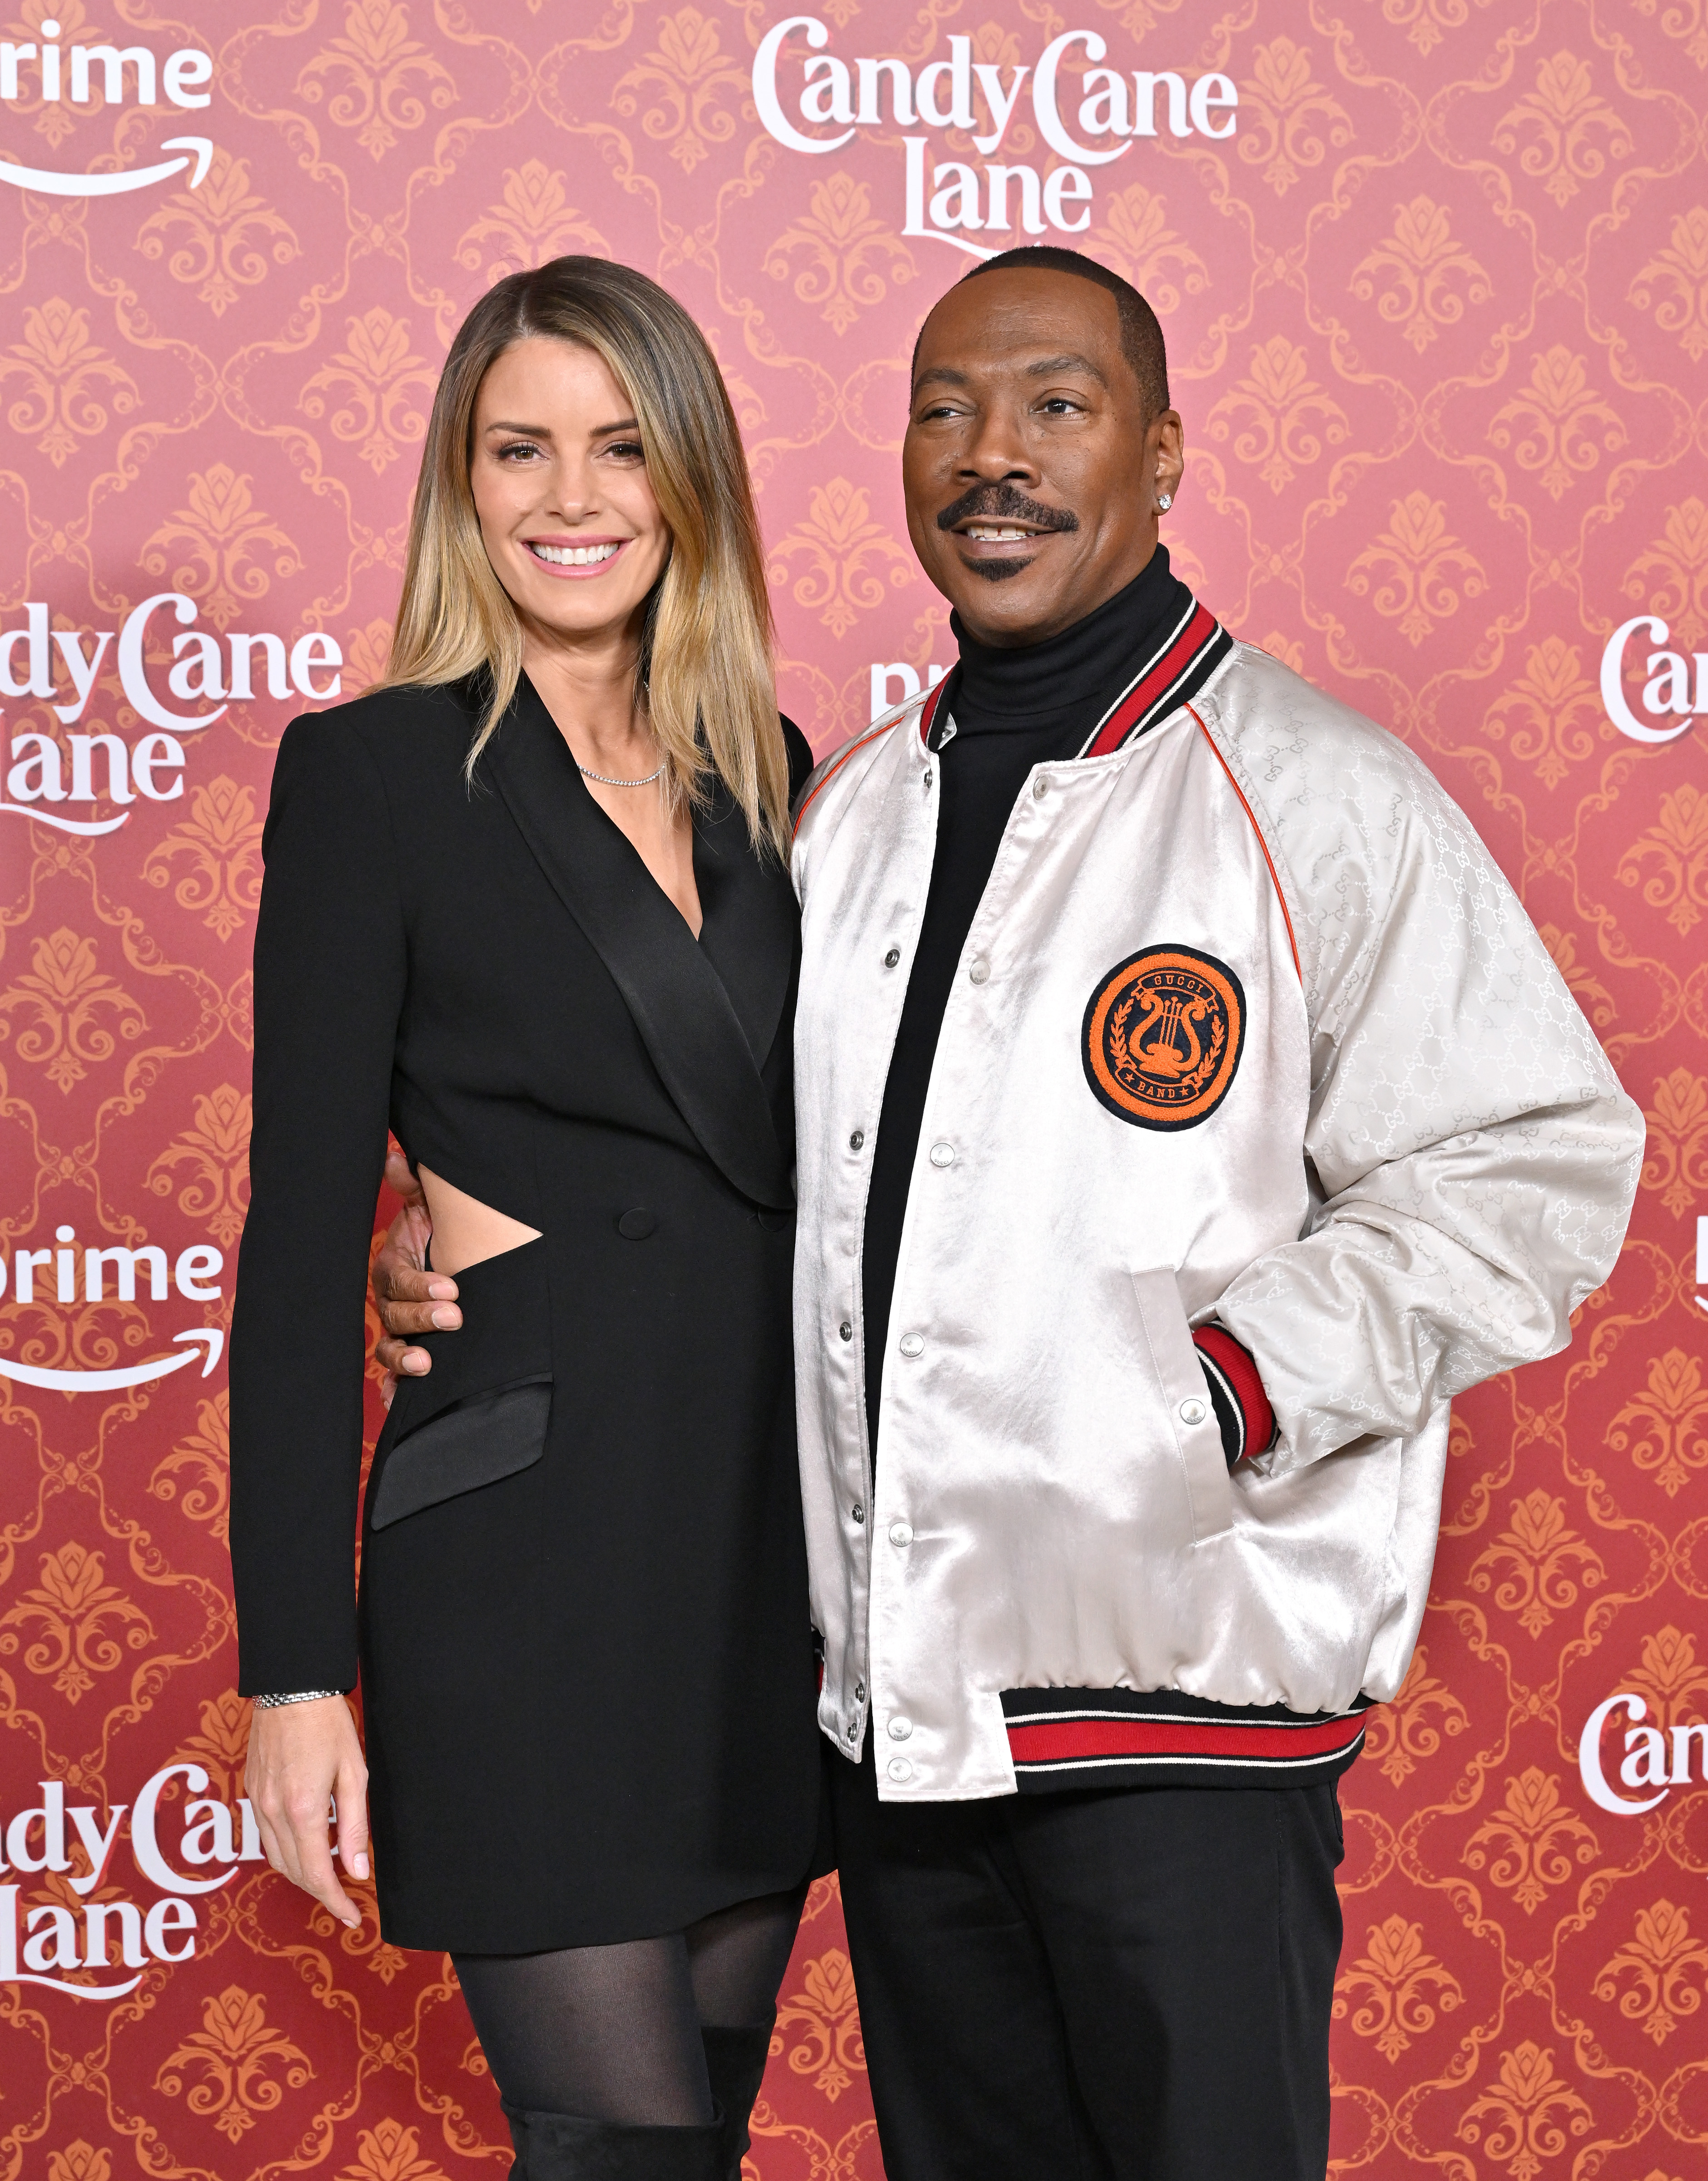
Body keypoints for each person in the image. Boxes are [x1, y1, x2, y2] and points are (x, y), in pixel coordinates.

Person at [376, 249, 1644, 2180]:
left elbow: (1530, 1155)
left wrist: (1215, 1388)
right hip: (905, 1729)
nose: (994, 458)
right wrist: (469, 1245)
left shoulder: (1312, 791)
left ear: (1160, 450)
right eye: (946, 409)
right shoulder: (846, 812)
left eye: (1054, 406)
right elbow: (732, 1171)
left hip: (1179, 1703)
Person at [229, 256, 824, 2181]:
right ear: (460, 485)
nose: (572, 498)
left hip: (758, 1559)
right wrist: (295, 1675)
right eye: (520, 450)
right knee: (618, 2153)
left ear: (693, 482)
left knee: (696, 2150)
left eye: (620, 447)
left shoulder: (777, 775)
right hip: (529, 1558)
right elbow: (302, 1247)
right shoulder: (374, 776)